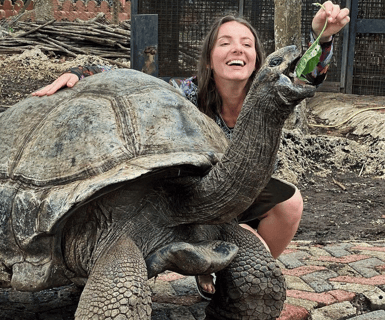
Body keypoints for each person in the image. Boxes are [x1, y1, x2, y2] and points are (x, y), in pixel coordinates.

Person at [33, 1, 350, 299]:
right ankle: (212, 257)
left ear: (256, 59)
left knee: (289, 205)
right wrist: (82, 72)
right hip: (192, 197)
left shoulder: (266, 95)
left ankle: (231, 278)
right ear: (210, 57)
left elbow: (303, 77)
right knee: (241, 238)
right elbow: (138, 84)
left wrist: (323, 38)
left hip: (240, 192)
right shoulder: (186, 94)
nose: (236, 48)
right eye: (224, 42)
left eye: (246, 43)